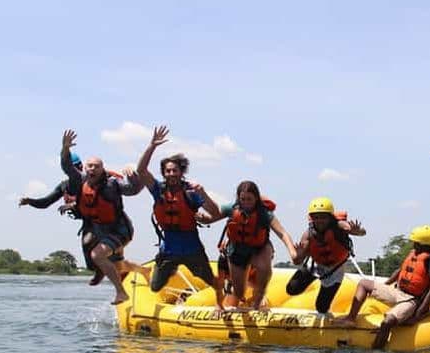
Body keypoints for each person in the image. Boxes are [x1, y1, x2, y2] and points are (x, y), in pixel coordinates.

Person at [134, 125, 225, 308]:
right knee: (155, 286)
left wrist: (204, 193)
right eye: (168, 171)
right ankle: (176, 286)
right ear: (164, 173)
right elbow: (141, 171)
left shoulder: (191, 192)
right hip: (169, 250)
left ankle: (221, 305)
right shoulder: (158, 190)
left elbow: (215, 213)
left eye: (174, 170)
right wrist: (152, 146)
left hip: (192, 248)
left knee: (210, 280)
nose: (171, 174)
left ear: (181, 172)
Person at [60, 129, 149, 304]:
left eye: (97, 166)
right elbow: (67, 167)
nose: (92, 169)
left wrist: (135, 177)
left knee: (97, 255)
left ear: (103, 169)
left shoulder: (112, 184)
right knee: (116, 264)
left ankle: (121, 292)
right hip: (99, 230)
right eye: (89, 166)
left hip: (120, 230)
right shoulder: (81, 180)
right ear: (85, 168)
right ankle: (143, 271)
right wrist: (65, 149)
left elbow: (134, 190)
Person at [335, 225, 430, 349]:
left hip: (412, 300)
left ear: (426, 244)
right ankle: (351, 318)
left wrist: (417, 316)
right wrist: (383, 286)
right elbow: (399, 271)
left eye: (416, 243)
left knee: (387, 322)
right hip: (398, 291)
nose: (414, 245)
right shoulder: (414, 254)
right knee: (364, 283)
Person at [19, 154, 120, 286]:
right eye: (73, 168)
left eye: (77, 167)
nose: (76, 171)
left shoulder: (92, 181)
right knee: (88, 249)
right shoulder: (64, 186)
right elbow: (46, 202)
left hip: (108, 221)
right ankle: (100, 271)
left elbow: (99, 194)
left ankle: (115, 267)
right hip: (89, 221)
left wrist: (72, 205)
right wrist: (30, 201)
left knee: (91, 243)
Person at [198, 181, 298, 310]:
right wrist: (203, 217)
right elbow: (213, 216)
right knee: (239, 292)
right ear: (238, 198)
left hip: (259, 248)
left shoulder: (264, 213)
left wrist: (292, 251)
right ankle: (241, 296)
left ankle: (258, 301)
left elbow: (282, 233)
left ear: (256, 198)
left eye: (249, 199)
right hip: (237, 250)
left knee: (263, 267)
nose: (246, 203)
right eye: (243, 199)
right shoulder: (232, 208)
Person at [287, 197, 366, 314]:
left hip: (334, 269)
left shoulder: (339, 225)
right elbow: (297, 261)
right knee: (291, 289)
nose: (320, 221)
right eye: (316, 217)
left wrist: (357, 231)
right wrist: (298, 255)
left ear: (330, 217)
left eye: (323, 217)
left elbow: (361, 232)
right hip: (315, 264)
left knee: (321, 307)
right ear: (311, 218)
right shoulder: (308, 235)